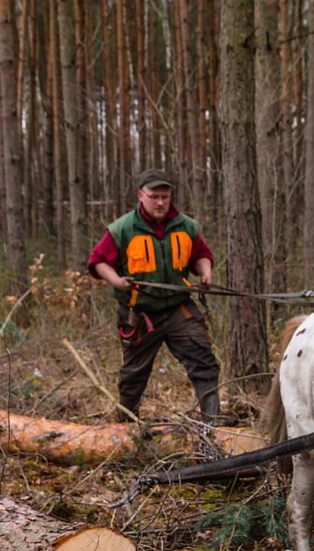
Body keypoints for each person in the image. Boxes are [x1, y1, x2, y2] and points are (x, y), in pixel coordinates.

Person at [87, 168, 225, 423]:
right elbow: (97, 262)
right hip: (139, 313)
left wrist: (206, 273)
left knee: (204, 363)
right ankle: (126, 429)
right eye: (154, 196)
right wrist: (117, 281)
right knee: (133, 375)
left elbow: (201, 255)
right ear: (141, 195)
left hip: (178, 309)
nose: (160, 202)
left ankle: (212, 425)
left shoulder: (186, 225)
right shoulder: (122, 228)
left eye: (165, 196)